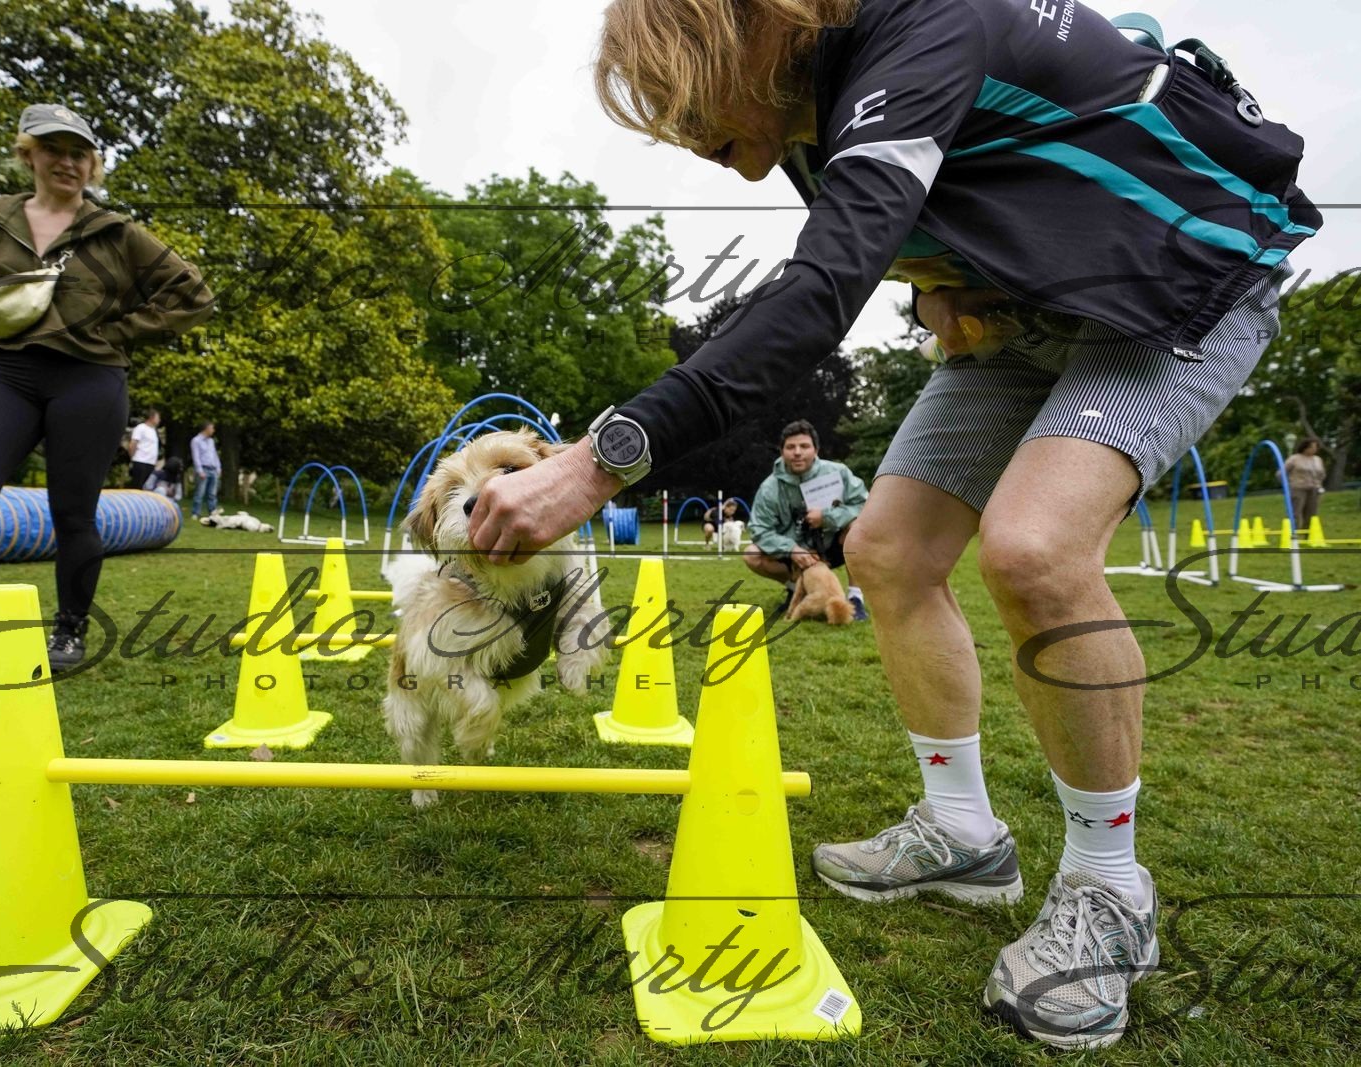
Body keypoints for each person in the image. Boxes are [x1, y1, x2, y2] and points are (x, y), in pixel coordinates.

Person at [468, 0, 1321, 1049]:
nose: (696, 141)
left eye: (688, 102)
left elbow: (817, 294)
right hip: (1020, 317)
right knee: (885, 549)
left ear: (750, 29)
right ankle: (963, 830)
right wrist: (936, 294)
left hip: (1176, 280)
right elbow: (908, 236)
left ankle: (1111, 888)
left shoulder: (923, 27)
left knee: (1035, 549)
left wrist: (596, 461)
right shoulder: (806, 110)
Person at [0, 103, 213, 681]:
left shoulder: (117, 232)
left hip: (90, 378)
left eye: (79, 153)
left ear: (93, 165)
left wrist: (119, 332)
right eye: (53, 149)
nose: (67, 162)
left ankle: (69, 633)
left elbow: (192, 294)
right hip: (8, 372)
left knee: (73, 513)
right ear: (27, 155)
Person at [743, 420, 867, 619]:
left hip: (833, 545)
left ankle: (855, 598)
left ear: (816, 450)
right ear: (782, 451)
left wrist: (827, 517)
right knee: (752, 554)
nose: (797, 452)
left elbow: (863, 505)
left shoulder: (838, 472)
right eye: (790, 447)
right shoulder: (769, 488)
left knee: (858, 527)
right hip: (793, 554)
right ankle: (796, 589)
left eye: (804, 446)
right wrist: (791, 548)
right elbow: (759, 529)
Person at [1284, 438, 1326, 531]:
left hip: (1314, 489)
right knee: (1295, 511)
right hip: (1298, 488)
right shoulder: (1294, 459)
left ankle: (1308, 533)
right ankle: (1292, 532)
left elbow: (1322, 474)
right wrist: (1287, 484)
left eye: (1316, 447)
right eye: (1312, 447)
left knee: (1312, 513)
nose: (1314, 449)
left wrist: (1319, 484)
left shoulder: (1318, 459)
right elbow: (1282, 473)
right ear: (1305, 447)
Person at [190, 421, 221, 519]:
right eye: (212, 428)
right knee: (200, 492)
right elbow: (196, 456)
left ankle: (212, 512)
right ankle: (196, 513)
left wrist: (218, 467)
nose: (213, 430)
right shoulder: (196, 440)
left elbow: (214, 455)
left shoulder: (211, 441)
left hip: (213, 469)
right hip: (203, 468)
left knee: (212, 493)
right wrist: (200, 470)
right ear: (206, 429)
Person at [128, 408, 161, 488]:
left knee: (147, 487)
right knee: (137, 486)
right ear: (152, 417)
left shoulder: (153, 430)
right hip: (140, 461)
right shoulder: (141, 428)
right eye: (158, 418)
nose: (159, 420)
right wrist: (132, 457)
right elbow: (133, 443)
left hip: (150, 463)